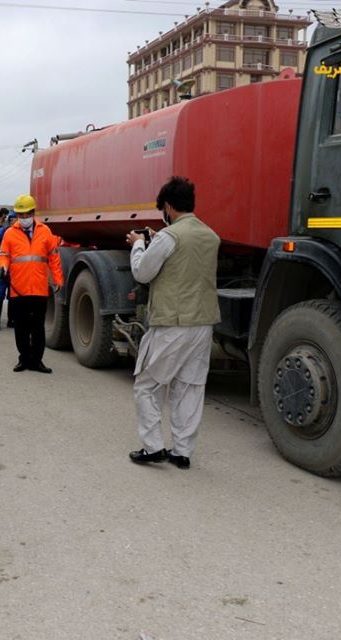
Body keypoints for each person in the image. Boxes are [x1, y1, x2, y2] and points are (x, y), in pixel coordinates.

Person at [125, 176, 220, 470]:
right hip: (202, 322)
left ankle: (152, 448)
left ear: (167, 206)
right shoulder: (209, 235)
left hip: (172, 323)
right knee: (189, 386)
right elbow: (184, 260)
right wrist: (159, 238)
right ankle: (182, 452)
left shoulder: (169, 237)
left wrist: (139, 245)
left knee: (147, 384)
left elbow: (142, 272)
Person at [0, 194, 63, 374]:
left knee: (37, 327)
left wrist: (58, 279)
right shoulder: (10, 233)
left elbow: (54, 258)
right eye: (20, 215)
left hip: (39, 288)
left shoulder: (45, 231)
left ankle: (37, 361)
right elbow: (3, 255)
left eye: (27, 214)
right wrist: (3, 267)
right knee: (20, 327)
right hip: (18, 289)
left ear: (33, 212)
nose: (24, 218)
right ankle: (24, 359)